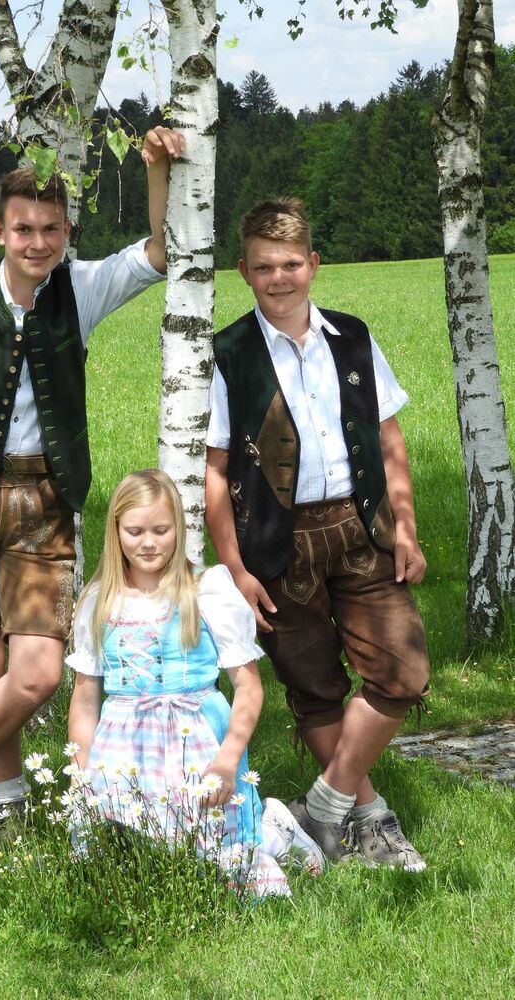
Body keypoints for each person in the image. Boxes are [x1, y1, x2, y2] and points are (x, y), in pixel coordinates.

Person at [0, 127, 184, 863]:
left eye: (51, 229)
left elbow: (158, 253)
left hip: (44, 502)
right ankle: (9, 814)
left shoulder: (79, 290)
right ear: (0, 231)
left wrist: (155, 171)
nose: (37, 242)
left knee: (38, 673)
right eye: (23, 229)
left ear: (66, 233)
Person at [205, 198, 430, 872]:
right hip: (277, 543)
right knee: (315, 688)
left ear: (314, 264)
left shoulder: (352, 338)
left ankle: (324, 807)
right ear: (244, 271)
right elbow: (215, 471)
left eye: (291, 264)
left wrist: (406, 528)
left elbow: (389, 438)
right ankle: (370, 819)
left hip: (363, 528)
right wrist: (235, 568)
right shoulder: (229, 355)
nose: (279, 278)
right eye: (264, 267)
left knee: (403, 671)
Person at [66, 469, 324, 900]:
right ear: (115, 531)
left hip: (196, 743)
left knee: (224, 875)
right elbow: (86, 698)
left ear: (179, 529)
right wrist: (81, 772)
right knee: (120, 875)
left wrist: (228, 759)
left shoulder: (205, 591)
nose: (148, 543)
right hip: (123, 749)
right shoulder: (99, 599)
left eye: (161, 530)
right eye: (135, 532)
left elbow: (249, 687)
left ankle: (275, 831)